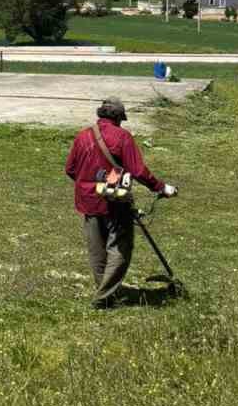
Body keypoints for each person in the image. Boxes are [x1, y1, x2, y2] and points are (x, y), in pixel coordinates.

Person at [65, 97, 177, 308]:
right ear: (118, 117)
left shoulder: (82, 136)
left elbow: (70, 169)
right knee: (121, 249)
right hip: (115, 202)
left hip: (88, 201)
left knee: (97, 249)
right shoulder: (122, 137)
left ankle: (105, 293)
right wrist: (161, 187)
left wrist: (88, 185)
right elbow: (138, 171)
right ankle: (102, 298)